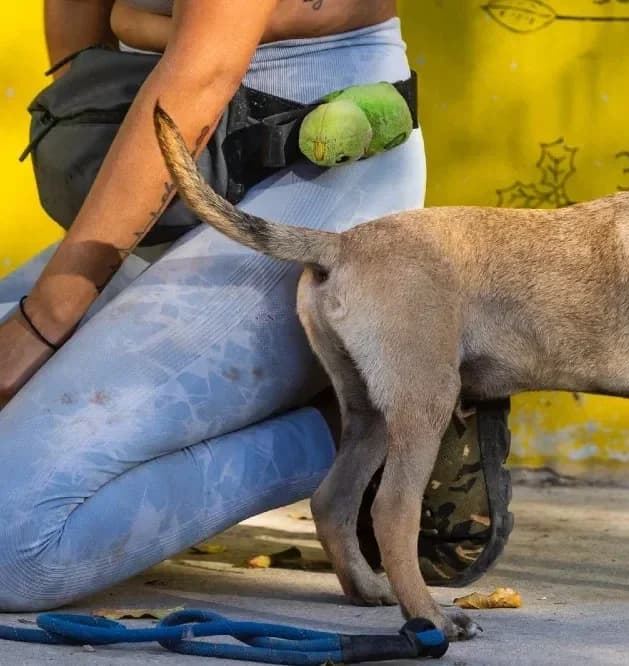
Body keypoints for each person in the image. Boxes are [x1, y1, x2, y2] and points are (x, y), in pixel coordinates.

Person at [0, 0, 435, 611]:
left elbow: (202, 71)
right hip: (164, 160)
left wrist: (41, 326)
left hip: (310, 174)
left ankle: (360, 423)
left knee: (12, 543)